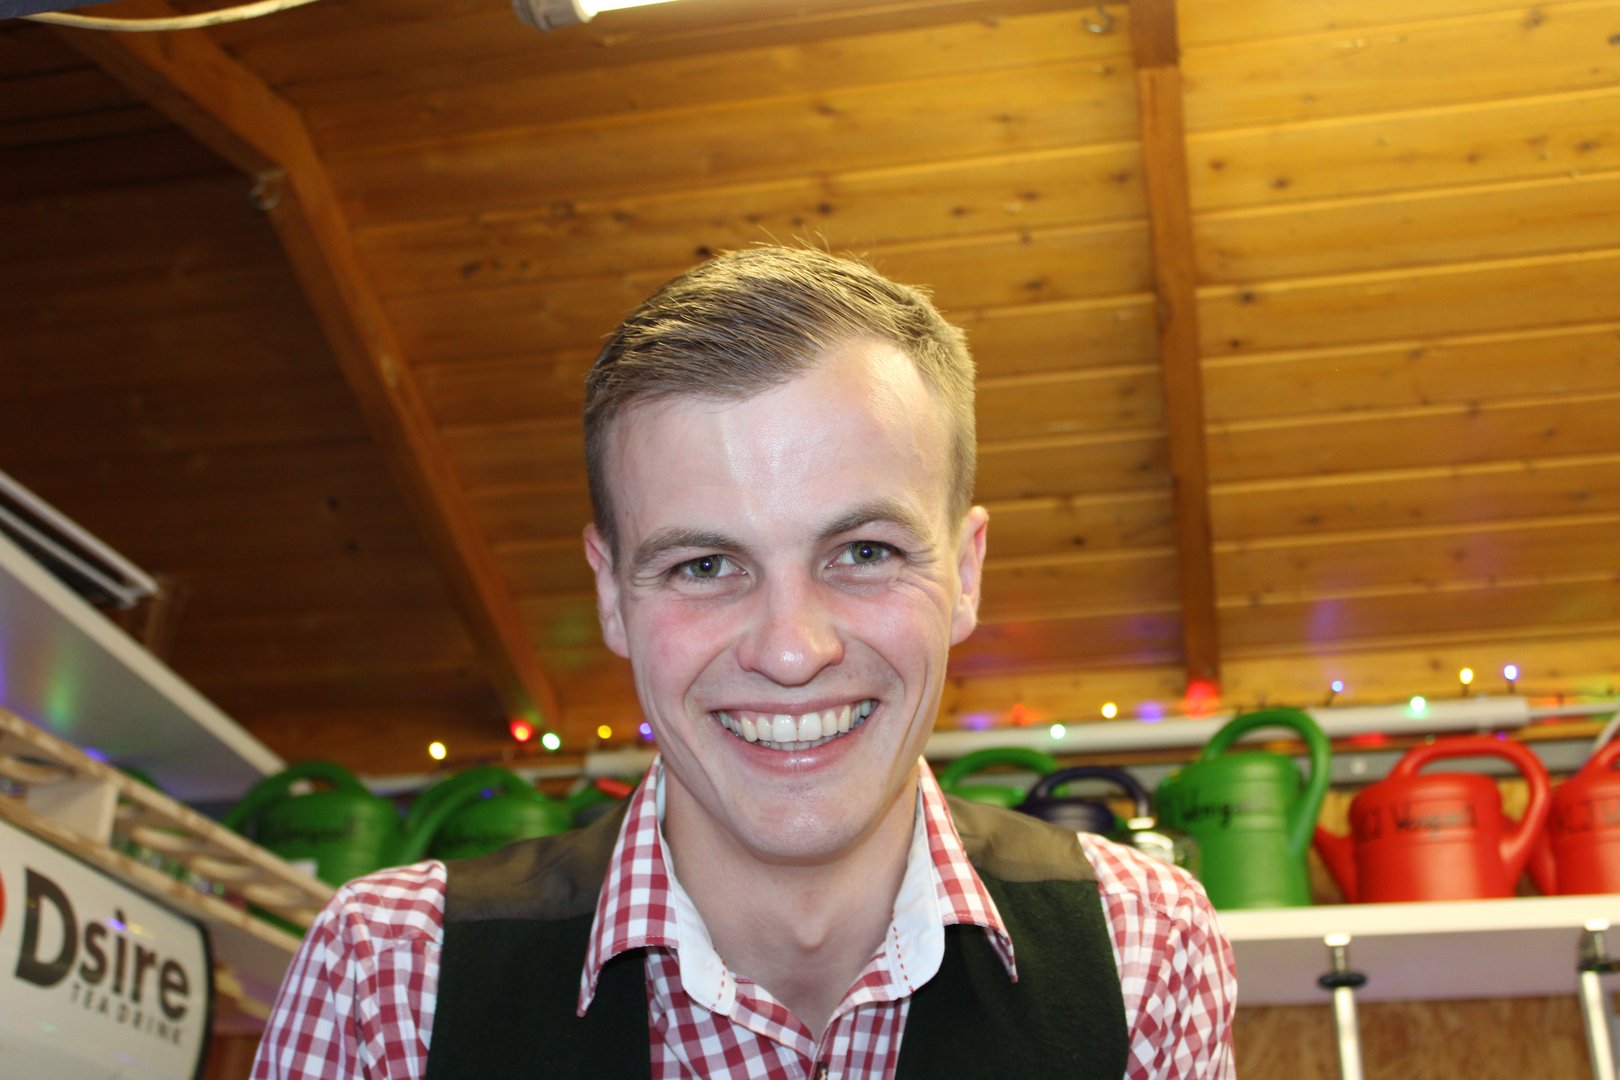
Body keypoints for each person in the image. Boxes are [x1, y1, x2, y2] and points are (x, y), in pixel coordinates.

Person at [252, 246, 1237, 1079]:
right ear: (611, 595)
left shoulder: (1140, 945)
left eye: (864, 552)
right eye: (705, 565)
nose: (792, 650)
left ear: (965, 572)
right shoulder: (390, 975)